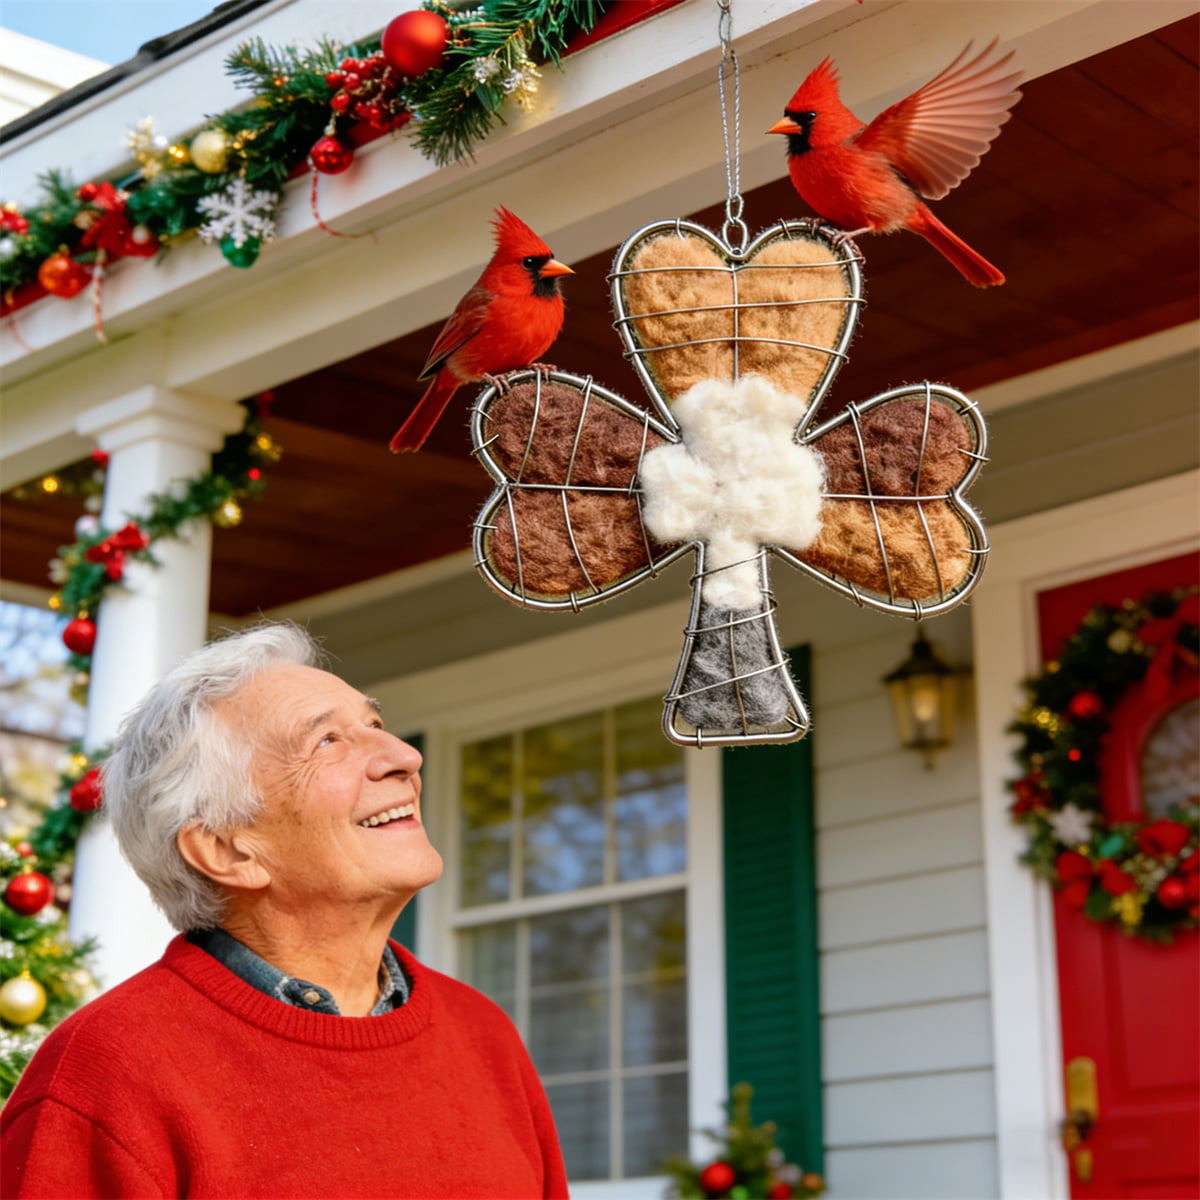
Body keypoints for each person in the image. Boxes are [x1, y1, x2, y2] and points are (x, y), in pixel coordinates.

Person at [1, 622, 568, 1199]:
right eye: (326, 742)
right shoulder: (105, 1076)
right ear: (227, 849)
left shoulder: (483, 1036)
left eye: (375, 724)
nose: (404, 756)